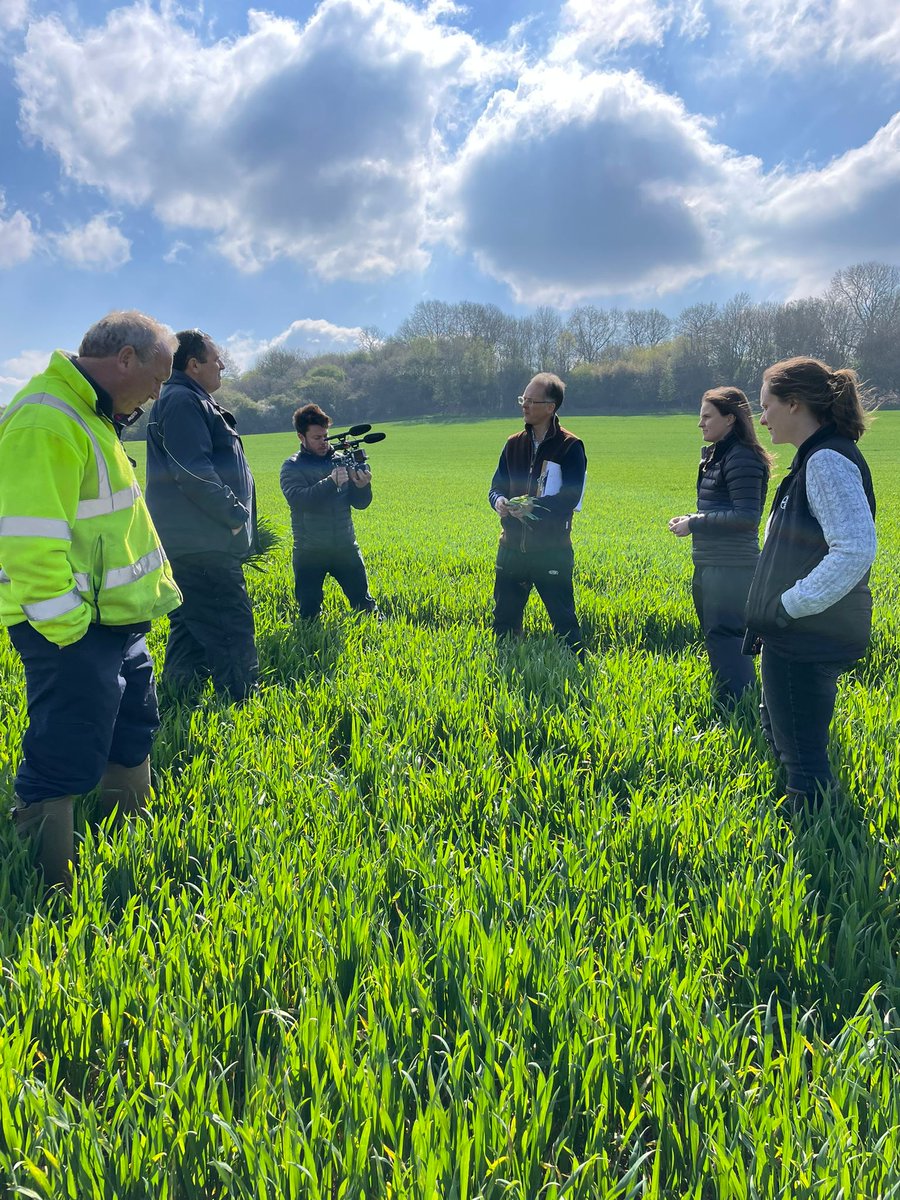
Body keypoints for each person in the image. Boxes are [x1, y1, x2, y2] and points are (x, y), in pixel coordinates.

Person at [0, 311, 182, 890]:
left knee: (132, 729)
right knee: (65, 747)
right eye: (156, 381)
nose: (156, 396)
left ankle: (124, 845)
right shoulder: (47, 419)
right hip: (70, 627)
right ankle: (47, 885)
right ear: (124, 359)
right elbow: (28, 543)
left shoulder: (92, 415)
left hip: (114, 623)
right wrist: (70, 629)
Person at [744, 356, 876, 811]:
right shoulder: (815, 458)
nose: (761, 418)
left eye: (766, 406)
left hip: (808, 633)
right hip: (799, 632)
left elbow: (855, 549)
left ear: (795, 404)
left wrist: (789, 606)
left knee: (803, 759)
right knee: (785, 737)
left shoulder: (826, 461)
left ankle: (822, 857)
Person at [145, 329, 259, 702]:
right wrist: (234, 514)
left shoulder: (190, 399)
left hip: (195, 540)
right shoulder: (181, 401)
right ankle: (241, 705)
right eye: (215, 358)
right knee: (230, 626)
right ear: (193, 365)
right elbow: (192, 471)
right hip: (203, 542)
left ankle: (179, 698)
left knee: (190, 627)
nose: (222, 364)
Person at [668, 387, 772, 703]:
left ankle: (737, 707)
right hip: (712, 564)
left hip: (731, 568)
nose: (700, 424)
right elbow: (723, 509)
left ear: (730, 418)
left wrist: (694, 523)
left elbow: (746, 517)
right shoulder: (719, 455)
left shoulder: (741, 457)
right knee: (719, 637)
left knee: (727, 638)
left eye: (707, 416)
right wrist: (693, 516)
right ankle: (734, 701)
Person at [489, 372, 586, 655]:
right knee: (503, 625)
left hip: (551, 551)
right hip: (511, 549)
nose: (525, 405)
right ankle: (504, 682)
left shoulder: (571, 446)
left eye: (531, 401)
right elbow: (496, 487)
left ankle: (576, 675)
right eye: (523, 399)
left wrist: (535, 507)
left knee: (565, 623)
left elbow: (571, 497)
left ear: (550, 407)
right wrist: (500, 502)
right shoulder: (513, 443)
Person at [280, 403, 377, 619]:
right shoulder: (292, 467)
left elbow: (360, 504)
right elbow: (299, 500)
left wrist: (363, 487)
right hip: (309, 552)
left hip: (345, 546)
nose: (323, 442)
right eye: (316, 438)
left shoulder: (342, 460)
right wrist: (331, 482)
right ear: (300, 437)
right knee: (309, 614)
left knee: (366, 607)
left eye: (325, 436)